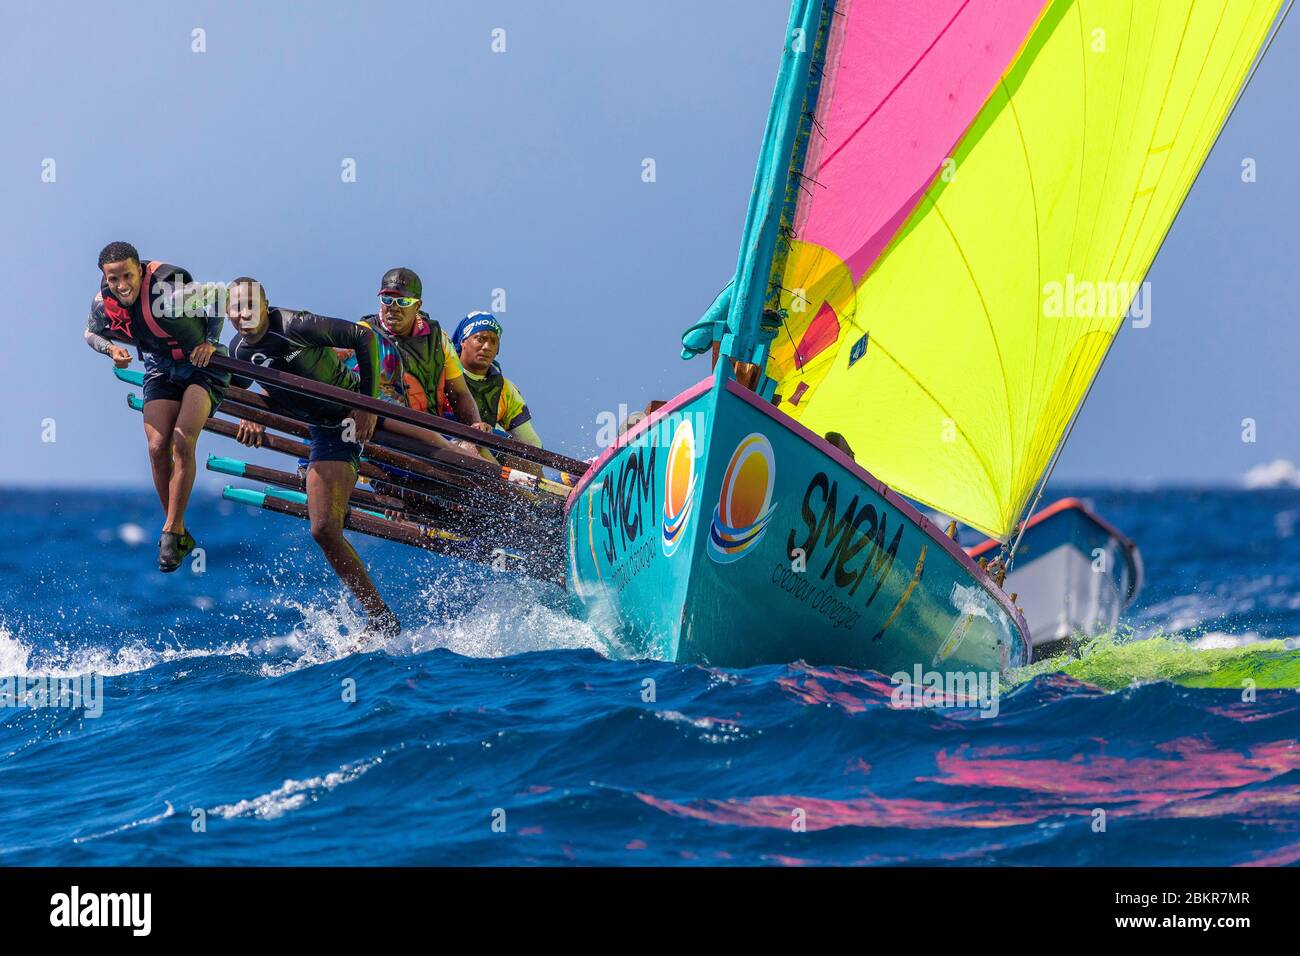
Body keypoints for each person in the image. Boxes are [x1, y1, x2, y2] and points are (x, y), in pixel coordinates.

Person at [223, 277, 401, 638]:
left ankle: (381, 620)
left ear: (266, 304)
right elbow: (244, 387)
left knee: (323, 528)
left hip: (349, 417)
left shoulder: (295, 324)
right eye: (236, 307)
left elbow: (363, 337)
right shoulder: (237, 350)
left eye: (251, 305)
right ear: (226, 312)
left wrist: (364, 406)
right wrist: (251, 416)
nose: (244, 314)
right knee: (324, 530)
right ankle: (382, 619)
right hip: (321, 429)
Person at [85, 241, 229, 572]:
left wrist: (210, 341)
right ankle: (176, 529)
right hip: (161, 368)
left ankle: (170, 532)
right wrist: (110, 350)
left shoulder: (169, 293)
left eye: (128, 276)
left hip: (201, 366)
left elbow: (220, 295)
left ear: (140, 271)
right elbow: (90, 333)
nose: (121, 286)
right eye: (113, 279)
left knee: (182, 440)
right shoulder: (102, 301)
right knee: (155, 446)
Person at [447, 312, 543, 474]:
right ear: (464, 341)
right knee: (472, 444)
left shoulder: (505, 388)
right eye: (480, 338)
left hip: (488, 455)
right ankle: (514, 493)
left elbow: (532, 445)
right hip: (446, 449)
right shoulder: (444, 373)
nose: (487, 347)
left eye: (493, 341)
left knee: (530, 463)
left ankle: (547, 494)